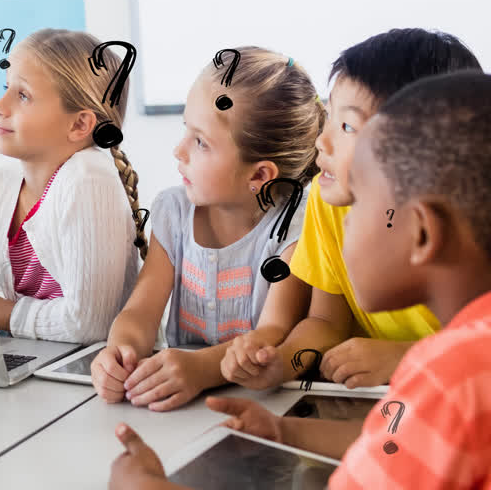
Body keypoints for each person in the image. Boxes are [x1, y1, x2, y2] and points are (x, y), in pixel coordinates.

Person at [110, 71, 491, 490]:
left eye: (360, 202)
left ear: (422, 233)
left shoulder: (452, 374)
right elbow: (405, 442)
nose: (344, 222)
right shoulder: (484, 352)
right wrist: (284, 432)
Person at [222, 29, 482, 391]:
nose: (322, 141)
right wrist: (281, 363)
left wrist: (406, 356)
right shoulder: (327, 201)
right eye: (329, 116)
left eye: (347, 126)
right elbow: (326, 322)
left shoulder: (478, 223)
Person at [91, 48, 323, 410]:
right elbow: (140, 312)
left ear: (260, 175)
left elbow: (274, 332)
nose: (179, 150)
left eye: (200, 141)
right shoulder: (174, 212)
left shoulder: (294, 225)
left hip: (260, 406)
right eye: (186, 129)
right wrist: (120, 352)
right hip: (180, 402)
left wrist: (202, 369)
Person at [0, 29, 142, 344]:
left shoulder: (89, 178)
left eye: (23, 95)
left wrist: (4, 314)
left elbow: (88, 325)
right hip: (32, 354)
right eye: (6, 88)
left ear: (79, 124)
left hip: (94, 364)